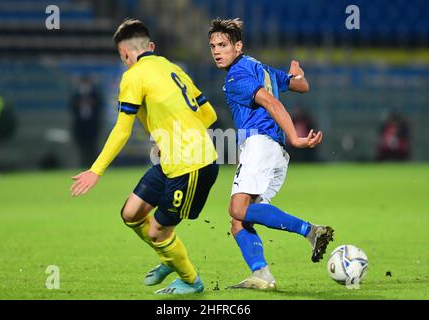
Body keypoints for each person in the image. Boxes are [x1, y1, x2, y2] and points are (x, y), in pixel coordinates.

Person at [70, 19, 219, 294]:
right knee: (131, 213)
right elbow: (209, 115)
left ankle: (191, 281)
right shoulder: (172, 68)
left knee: (157, 232)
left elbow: (121, 131)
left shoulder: (133, 76)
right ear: (150, 47)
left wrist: (96, 170)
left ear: (124, 53)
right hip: (176, 159)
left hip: (191, 165)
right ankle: (170, 258)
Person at [208, 18, 334, 290]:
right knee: (239, 221)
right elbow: (301, 86)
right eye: (213, 46)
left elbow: (270, 101)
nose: (217, 51)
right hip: (274, 152)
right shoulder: (259, 67)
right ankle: (261, 274)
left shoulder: (237, 76)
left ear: (238, 46)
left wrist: (295, 137)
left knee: (237, 208)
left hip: (260, 145)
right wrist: (297, 75)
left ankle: (309, 230)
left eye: (223, 45)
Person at [69, 75, 103, 168]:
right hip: (80, 125)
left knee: (93, 146)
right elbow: (71, 108)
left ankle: (94, 165)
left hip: (92, 125)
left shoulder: (94, 94)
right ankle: (83, 164)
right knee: (82, 146)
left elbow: (100, 106)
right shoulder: (76, 96)